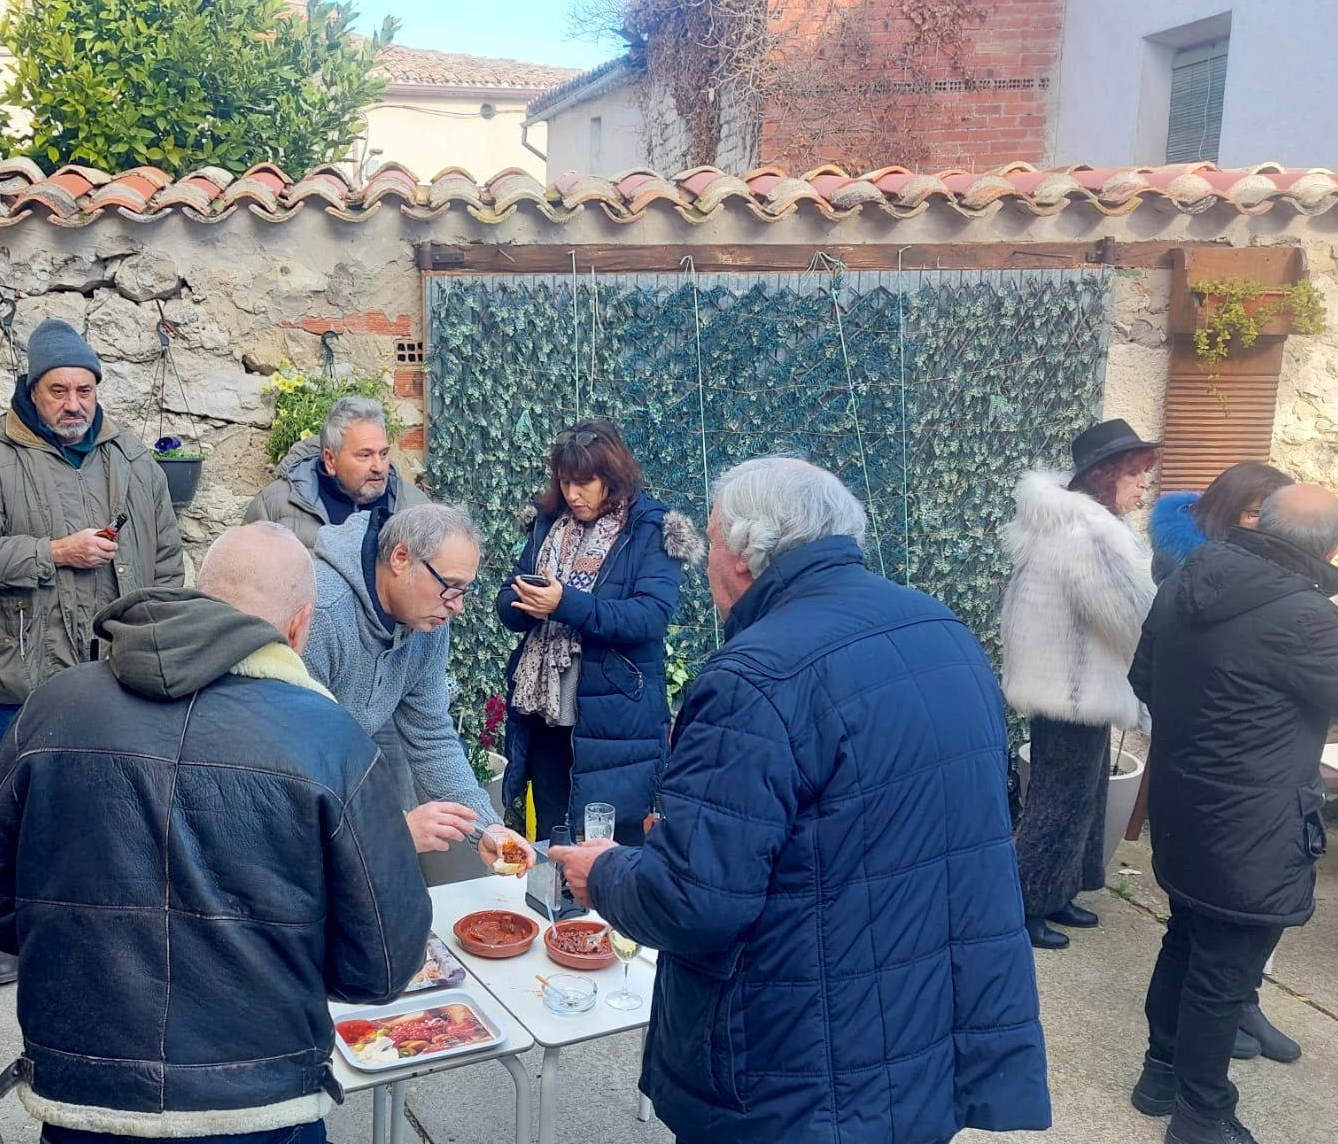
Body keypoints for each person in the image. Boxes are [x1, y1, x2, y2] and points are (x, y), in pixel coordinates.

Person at [551, 457, 1051, 1144]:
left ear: (745, 556)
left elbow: (694, 898)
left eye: (713, 540)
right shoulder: (947, 633)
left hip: (800, 1069)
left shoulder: (754, 677)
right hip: (925, 1039)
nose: (705, 564)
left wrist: (605, 870)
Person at [0, 522, 430, 1144]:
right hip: (259, 1104)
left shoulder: (54, 705)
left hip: (88, 1096)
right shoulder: (331, 740)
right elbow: (383, 965)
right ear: (299, 626)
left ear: (199, 594)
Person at [1129, 484, 1338, 1144]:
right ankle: (1201, 1116)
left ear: (1255, 523)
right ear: (1329, 548)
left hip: (1185, 807)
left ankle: (1159, 1076)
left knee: (1186, 936)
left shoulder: (1188, 576)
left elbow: (1143, 676)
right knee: (1223, 970)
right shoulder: (1301, 614)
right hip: (1252, 827)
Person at [0, 317, 183, 986]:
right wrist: (53, 553)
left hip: (116, 662)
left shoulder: (130, 456)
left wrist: (156, 629)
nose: (74, 403)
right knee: (19, 802)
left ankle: (105, 916)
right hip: (28, 663)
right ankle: (5, 930)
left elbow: (164, 554)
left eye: (84, 388)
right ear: (32, 390)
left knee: (116, 797)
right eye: (58, 390)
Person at [1147, 459, 1302, 1062]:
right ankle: (1209, 1025)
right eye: (1257, 511)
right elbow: (1161, 670)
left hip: (1237, 760)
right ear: (1230, 509)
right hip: (1209, 758)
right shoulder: (1192, 569)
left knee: (1228, 915)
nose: (1266, 524)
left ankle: (1240, 1005)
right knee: (1209, 915)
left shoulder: (1268, 574)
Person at [495, 421, 697, 843]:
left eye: (584, 483)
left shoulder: (649, 529)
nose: (572, 494)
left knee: (611, 844)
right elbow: (507, 602)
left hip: (615, 720)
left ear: (613, 476)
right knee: (554, 841)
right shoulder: (547, 523)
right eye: (566, 482)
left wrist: (563, 604)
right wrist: (529, 607)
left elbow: (649, 616)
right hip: (545, 714)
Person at [1000, 418, 1160, 949]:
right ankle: (1022, 905)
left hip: (1068, 684)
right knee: (1060, 799)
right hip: (1070, 687)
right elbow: (1133, 614)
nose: (1143, 485)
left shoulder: (1073, 524)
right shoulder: (1089, 532)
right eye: (1135, 474)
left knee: (1083, 792)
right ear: (1104, 474)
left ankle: (1059, 889)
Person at [303, 503, 530, 867]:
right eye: (450, 587)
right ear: (400, 558)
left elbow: (431, 736)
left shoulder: (428, 626)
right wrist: (390, 832)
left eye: (464, 591)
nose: (457, 607)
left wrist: (487, 828)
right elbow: (294, 763)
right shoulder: (323, 614)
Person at [242, 396, 428, 546]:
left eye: (384, 453)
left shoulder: (416, 507)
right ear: (331, 460)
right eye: (365, 455)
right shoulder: (273, 505)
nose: (379, 467)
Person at [1150, 462, 1295, 584]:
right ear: (1227, 510)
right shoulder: (1191, 566)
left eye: (1274, 514)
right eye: (1256, 513)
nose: (1267, 522)